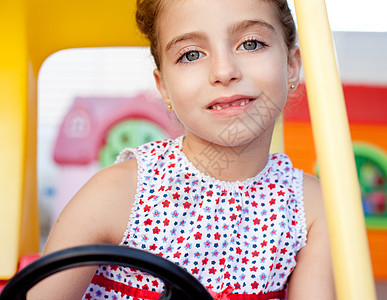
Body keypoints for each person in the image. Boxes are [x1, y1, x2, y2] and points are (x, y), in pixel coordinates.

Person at [29, 0, 334, 299]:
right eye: (191, 55)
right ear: (164, 89)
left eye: (251, 44)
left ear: (291, 66)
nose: (224, 71)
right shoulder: (118, 192)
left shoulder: (308, 207)